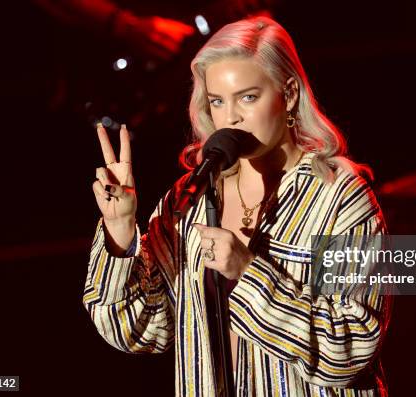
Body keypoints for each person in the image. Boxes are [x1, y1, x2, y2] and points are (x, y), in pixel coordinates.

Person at [84, 16, 391, 396]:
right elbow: (137, 330)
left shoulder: (339, 198)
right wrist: (120, 232)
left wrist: (247, 271)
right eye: (217, 101)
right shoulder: (189, 200)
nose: (230, 117)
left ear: (289, 93)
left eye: (248, 96)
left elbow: (349, 349)